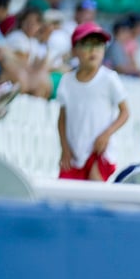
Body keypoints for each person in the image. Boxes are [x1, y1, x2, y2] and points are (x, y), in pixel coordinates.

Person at [56, 22, 129, 181]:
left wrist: (106, 134)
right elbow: (62, 118)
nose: (93, 50)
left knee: (95, 188)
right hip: (75, 152)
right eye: (87, 45)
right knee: (67, 193)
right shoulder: (67, 81)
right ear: (75, 50)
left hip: (100, 150)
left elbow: (125, 112)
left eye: (98, 45)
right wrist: (65, 148)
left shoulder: (109, 78)